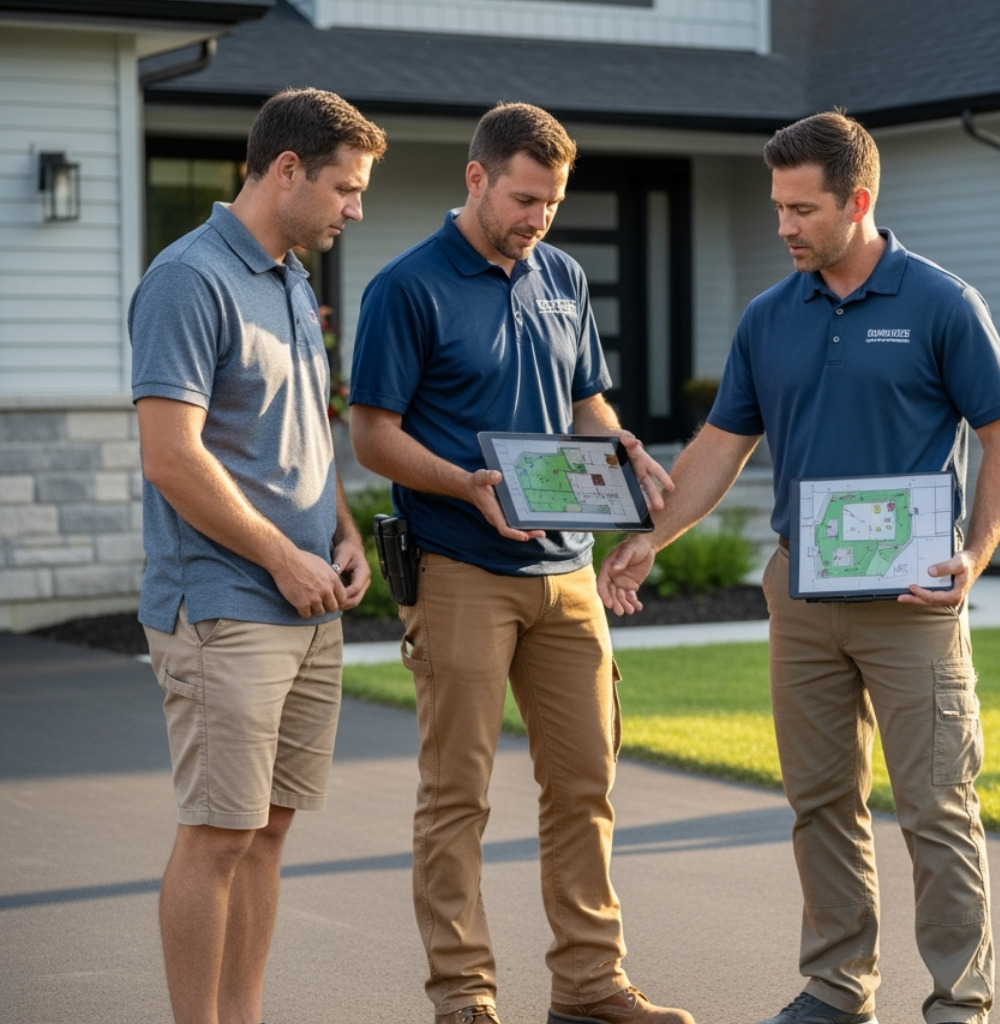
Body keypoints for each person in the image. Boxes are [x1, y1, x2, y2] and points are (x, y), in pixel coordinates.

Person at [598, 111, 1000, 1024]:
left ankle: (960, 1000)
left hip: (912, 603)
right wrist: (651, 536)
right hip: (802, 593)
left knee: (936, 808)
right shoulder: (769, 317)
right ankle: (837, 987)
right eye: (778, 208)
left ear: (859, 202)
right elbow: (722, 445)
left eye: (803, 209)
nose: (785, 226)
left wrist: (976, 556)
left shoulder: (941, 303)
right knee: (821, 802)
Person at [348, 101, 692, 1024]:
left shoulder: (563, 277)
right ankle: (463, 996)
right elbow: (372, 437)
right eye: (525, 198)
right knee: (457, 792)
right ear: (477, 178)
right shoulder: (405, 288)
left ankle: (588, 986)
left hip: (567, 572)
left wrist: (626, 451)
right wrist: (465, 483)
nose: (538, 218)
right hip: (459, 567)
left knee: (586, 784)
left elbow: (586, 403)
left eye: (552, 202)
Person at [129, 87, 387, 1024]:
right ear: (286, 171)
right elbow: (172, 456)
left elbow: (299, 432)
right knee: (217, 835)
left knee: (268, 833)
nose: (354, 209)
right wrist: (284, 556)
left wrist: (345, 532)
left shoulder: (286, 277)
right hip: (228, 603)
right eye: (346, 190)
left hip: (307, 599)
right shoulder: (187, 278)